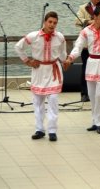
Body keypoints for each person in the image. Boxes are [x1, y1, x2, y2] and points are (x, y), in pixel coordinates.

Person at [15, 11, 67, 142]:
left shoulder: (60, 37)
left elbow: (63, 52)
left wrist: (65, 61)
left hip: (53, 71)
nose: (52, 25)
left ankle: (52, 130)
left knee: (53, 100)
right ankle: (39, 129)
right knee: (38, 102)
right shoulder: (34, 36)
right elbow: (18, 47)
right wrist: (28, 61)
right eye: (50, 22)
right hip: (38, 70)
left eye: (55, 23)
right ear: (44, 22)